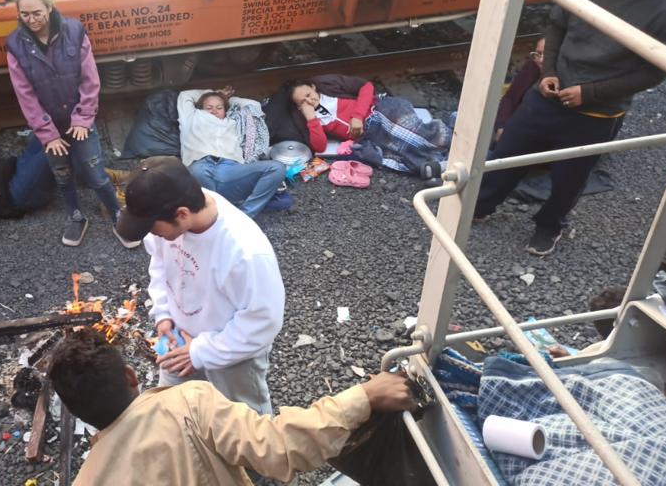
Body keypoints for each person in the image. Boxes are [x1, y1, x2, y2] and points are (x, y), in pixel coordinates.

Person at [473, 0, 666, 256]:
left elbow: (654, 73)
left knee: (570, 178)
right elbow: (557, 27)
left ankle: (549, 226)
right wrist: (548, 72)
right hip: (546, 96)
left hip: (596, 113)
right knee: (507, 154)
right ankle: (481, 206)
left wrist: (589, 93)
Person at [48, 329, 423, 486]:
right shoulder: (187, 403)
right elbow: (279, 447)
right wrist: (364, 397)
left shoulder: (85, 480)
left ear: (76, 412)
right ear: (131, 376)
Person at [115, 156, 285, 414]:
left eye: (153, 228)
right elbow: (159, 265)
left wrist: (200, 352)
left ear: (182, 214)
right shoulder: (169, 212)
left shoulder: (245, 252)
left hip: (232, 353)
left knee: (244, 420)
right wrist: (163, 314)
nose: (151, 235)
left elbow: (262, 322)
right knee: (172, 408)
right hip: (177, 336)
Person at [5, 0, 134, 248]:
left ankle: (117, 213)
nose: (31, 20)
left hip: (79, 122)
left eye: (37, 13)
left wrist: (83, 118)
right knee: (62, 174)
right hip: (50, 127)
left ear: (49, 8)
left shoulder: (74, 31)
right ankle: (75, 216)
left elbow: (90, 79)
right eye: (24, 14)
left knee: (94, 173)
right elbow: (25, 95)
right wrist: (47, 134)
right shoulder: (15, 44)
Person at [283, 75, 453, 175]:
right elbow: (319, 146)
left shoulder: (329, 87)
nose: (309, 101)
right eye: (302, 101)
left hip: (379, 110)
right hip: (371, 134)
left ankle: (448, 138)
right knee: (397, 149)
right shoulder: (311, 119)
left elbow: (366, 86)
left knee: (407, 131)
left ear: (313, 87)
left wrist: (357, 116)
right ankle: (436, 164)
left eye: (308, 94)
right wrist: (311, 118)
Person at [178, 88, 286, 217]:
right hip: (201, 165)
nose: (214, 111)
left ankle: (244, 215)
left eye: (219, 107)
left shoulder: (233, 122)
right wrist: (215, 92)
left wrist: (227, 98)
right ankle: (216, 214)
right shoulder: (191, 117)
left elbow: (254, 106)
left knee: (277, 168)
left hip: (231, 169)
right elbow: (185, 95)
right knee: (197, 171)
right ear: (200, 108)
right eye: (209, 108)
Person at [494, 37, 545, 143]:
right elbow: (510, 97)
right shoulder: (532, 67)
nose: (541, 60)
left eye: (547, 55)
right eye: (538, 54)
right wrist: (501, 126)